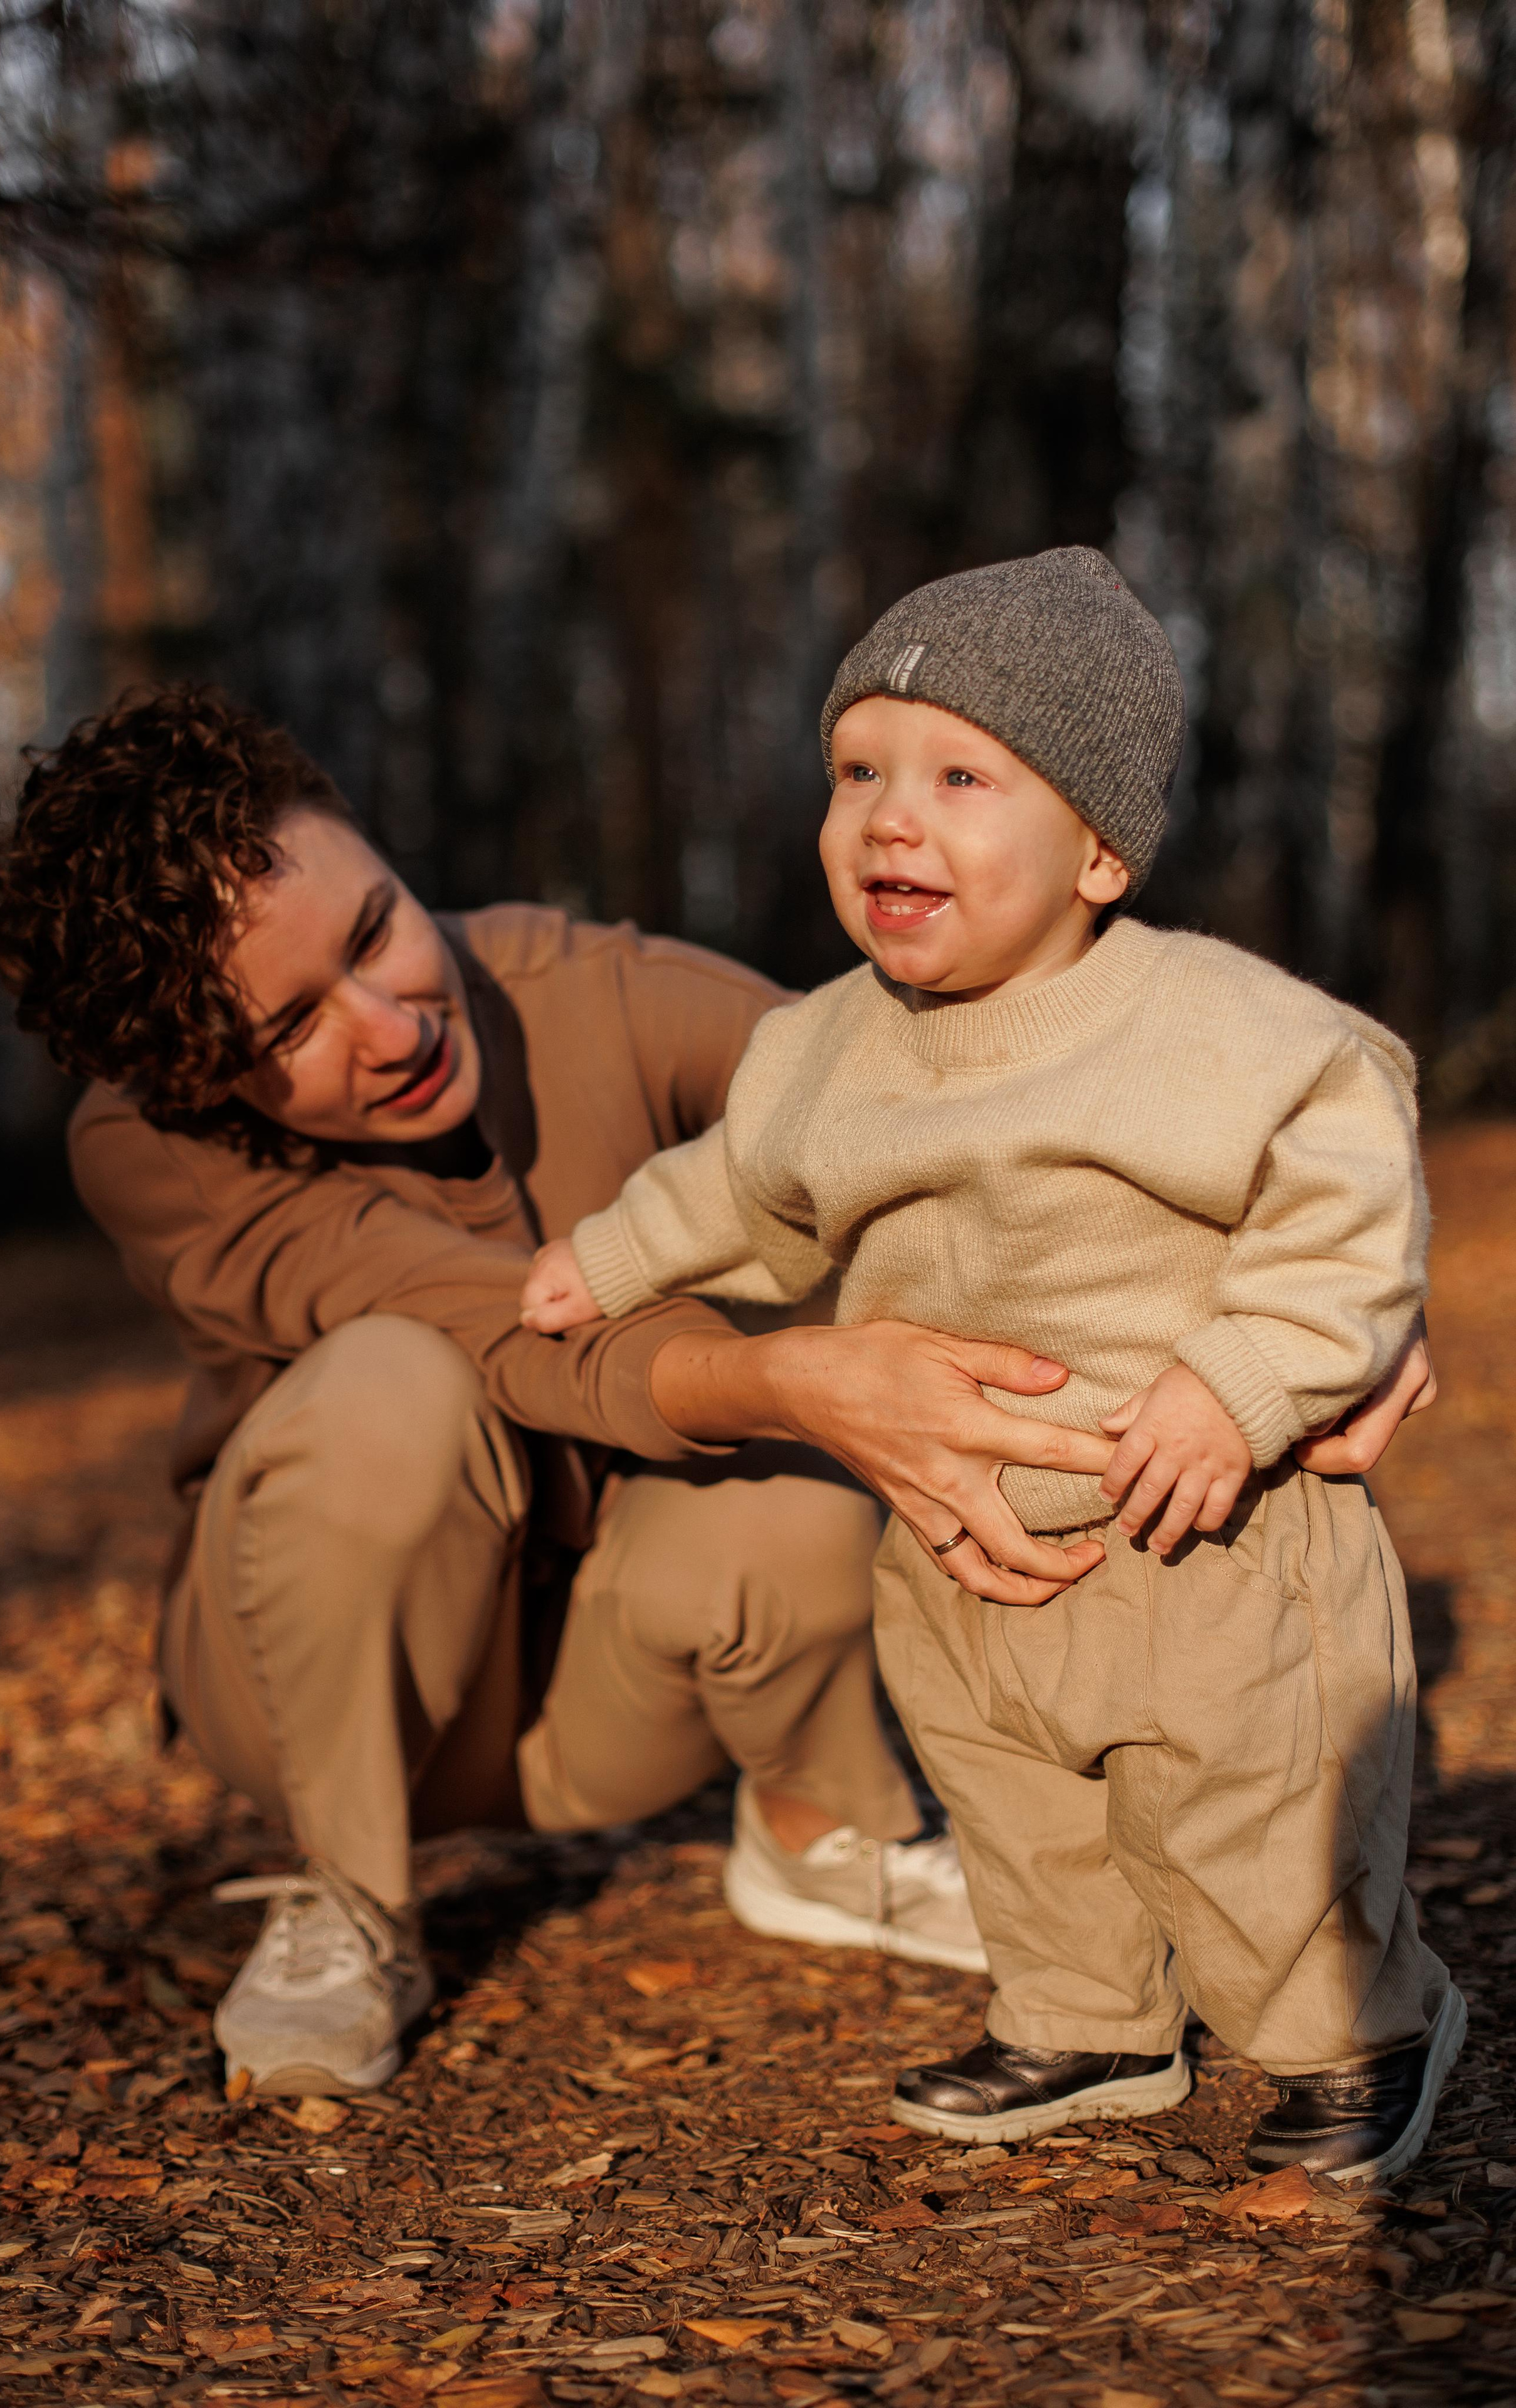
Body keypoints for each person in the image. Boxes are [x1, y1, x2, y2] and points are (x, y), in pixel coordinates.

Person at [0, 685, 1156, 2098]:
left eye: (371, 931)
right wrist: (794, 1373)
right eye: (288, 1024)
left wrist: (1279, 1294)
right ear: (200, 1078)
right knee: (396, 1383)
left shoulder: (576, 984)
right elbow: (505, 1327)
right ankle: (350, 1901)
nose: (389, 1022)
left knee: (791, 1467)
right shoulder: (151, 1149)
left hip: (595, 1691)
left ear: (369, 840)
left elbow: (905, 1095)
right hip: (319, 1692)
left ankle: (817, 1830)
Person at [521, 546, 1458, 2187]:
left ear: (1098, 849)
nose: (892, 815)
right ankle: (1089, 2018)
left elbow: (1350, 1174)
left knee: (1250, 1810)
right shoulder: (817, 1048)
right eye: (857, 772)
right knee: (1017, 1800)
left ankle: (1358, 2029)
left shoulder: (1208, 1022)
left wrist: (1244, 1377)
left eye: (961, 775)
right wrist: (606, 1259)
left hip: (1205, 1527)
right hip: (962, 1538)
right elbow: (743, 1194)